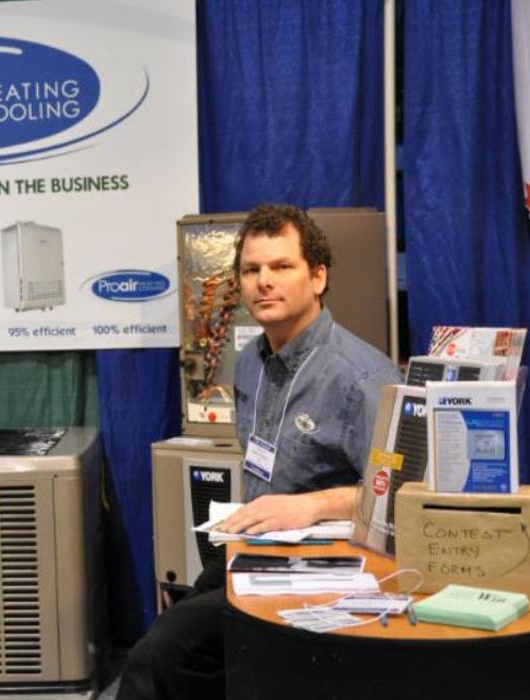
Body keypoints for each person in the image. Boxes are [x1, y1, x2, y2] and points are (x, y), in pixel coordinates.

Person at [116, 203, 402, 699]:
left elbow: (400, 496)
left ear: (318, 276)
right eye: (251, 270)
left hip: (328, 563)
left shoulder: (362, 379)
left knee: (164, 654)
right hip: (257, 549)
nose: (263, 281)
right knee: (169, 633)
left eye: (281, 266)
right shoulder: (251, 361)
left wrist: (310, 505)